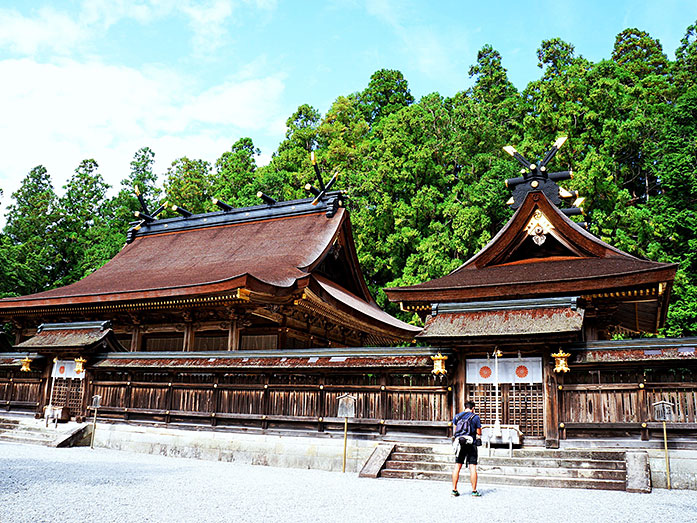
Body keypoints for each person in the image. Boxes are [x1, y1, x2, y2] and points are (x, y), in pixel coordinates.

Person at [451, 400, 482, 497]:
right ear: (473, 408)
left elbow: (455, 430)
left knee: (457, 466)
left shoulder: (457, 416)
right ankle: (474, 491)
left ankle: (454, 490)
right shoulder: (475, 417)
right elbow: (479, 432)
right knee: (472, 467)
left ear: (465, 407)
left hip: (460, 443)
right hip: (471, 443)